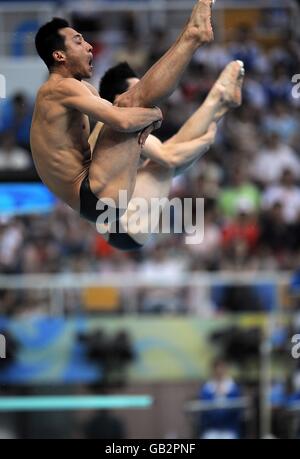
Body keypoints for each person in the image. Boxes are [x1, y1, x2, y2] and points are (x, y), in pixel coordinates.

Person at [30, 1, 215, 234]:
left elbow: (120, 117)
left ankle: (193, 33)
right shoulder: (58, 88)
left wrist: (145, 118)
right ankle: (193, 35)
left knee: (125, 105)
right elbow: (125, 120)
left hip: (95, 196)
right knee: (129, 105)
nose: (88, 46)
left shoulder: (79, 88)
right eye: (78, 41)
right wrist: (153, 114)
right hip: (93, 195)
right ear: (59, 55)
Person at [90, 58, 244, 250]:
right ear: (119, 98)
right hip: (122, 223)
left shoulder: (125, 127)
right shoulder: (115, 127)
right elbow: (170, 158)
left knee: (169, 158)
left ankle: (220, 102)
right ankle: (219, 99)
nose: (146, 96)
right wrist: (206, 140)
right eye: (138, 91)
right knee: (167, 161)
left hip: (119, 222)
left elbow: (172, 156)